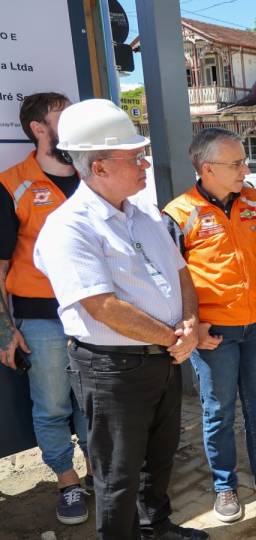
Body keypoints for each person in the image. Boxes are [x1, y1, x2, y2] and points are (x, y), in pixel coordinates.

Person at [33, 99, 207, 539]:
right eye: (133, 156)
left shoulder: (145, 213)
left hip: (162, 359)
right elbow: (101, 306)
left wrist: (187, 323)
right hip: (113, 369)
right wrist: (175, 337)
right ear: (99, 167)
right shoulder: (69, 227)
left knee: (159, 458)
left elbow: (182, 273)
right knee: (118, 474)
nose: (144, 162)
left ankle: (157, 527)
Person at [163, 128, 256, 524]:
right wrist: (192, 327)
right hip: (213, 333)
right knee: (218, 410)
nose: (246, 169)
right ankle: (224, 486)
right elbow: (170, 282)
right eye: (236, 163)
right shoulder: (178, 214)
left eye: (243, 161)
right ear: (207, 169)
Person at [0, 92, 92, 526]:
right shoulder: (11, 183)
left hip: (96, 313)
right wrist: (5, 330)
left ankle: (104, 475)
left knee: (97, 403)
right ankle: (68, 483)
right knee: (54, 406)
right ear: (39, 128)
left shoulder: (94, 175)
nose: (72, 123)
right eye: (63, 117)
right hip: (41, 318)